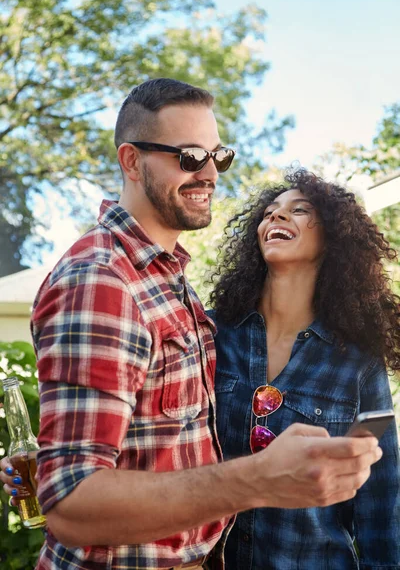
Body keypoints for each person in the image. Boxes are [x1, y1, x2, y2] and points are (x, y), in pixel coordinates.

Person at [0, 80, 382, 570]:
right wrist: (258, 479)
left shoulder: (170, 280)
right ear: (132, 162)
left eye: (218, 157)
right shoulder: (101, 281)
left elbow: (142, 438)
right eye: (188, 156)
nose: (208, 173)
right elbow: (71, 504)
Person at [208, 169, 400, 569]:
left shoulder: (360, 361)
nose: (276, 217)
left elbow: (381, 500)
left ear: (333, 238)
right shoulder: (211, 334)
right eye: (269, 212)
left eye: (298, 210)